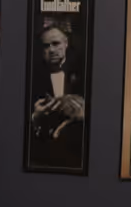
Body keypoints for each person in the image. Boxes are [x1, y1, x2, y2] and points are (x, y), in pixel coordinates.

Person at [27, 21, 87, 169]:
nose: (52, 50)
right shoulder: (31, 76)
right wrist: (34, 117)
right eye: (46, 46)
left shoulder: (83, 72)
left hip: (77, 155)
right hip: (42, 156)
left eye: (56, 43)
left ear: (66, 43)